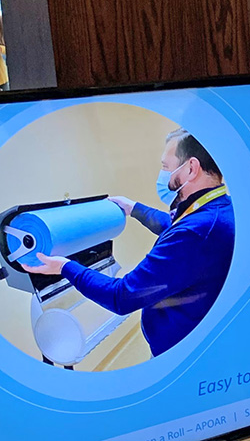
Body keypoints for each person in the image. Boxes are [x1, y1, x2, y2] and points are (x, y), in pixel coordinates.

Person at [23, 129, 235, 357]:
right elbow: (175, 227)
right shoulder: (220, 208)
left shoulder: (195, 233)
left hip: (182, 355)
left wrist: (64, 267)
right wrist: (134, 209)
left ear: (191, 168)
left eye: (165, 166)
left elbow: (121, 296)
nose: (161, 174)